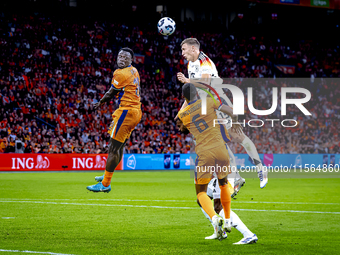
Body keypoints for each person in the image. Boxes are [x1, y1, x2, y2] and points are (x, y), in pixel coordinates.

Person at [177, 38, 268, 189]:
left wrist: (187, 81)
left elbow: (205, 84)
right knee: (220, 144)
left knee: (238, 136)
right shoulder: (190, 64)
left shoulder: (204, 61)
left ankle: (261, 168)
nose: (182, 53)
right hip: (206, 106)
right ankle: (236, 178)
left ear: (193, 49)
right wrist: (181, 111)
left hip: (219, 101)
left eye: (184, 49)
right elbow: (193, 92)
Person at [176, 83, 240, 240]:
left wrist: (186, 104)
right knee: (223, 183)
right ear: (197, 92)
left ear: (184, 97)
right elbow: (231, 112)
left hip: (205, 153)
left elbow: (181, 128)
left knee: (201, 193)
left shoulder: (183, 114)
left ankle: (214, 217)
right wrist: (236, 121)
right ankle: (226, 220)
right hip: (221, 150)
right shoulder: (209, 101)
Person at [87, 47, 142, 193]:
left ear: (131, 60)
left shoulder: (120, 73)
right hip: (136, 111)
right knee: (119, 147)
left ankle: (105, 184)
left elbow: (111, 92)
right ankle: (107, 176)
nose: (121, 59)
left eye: (125, 57)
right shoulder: (134, 70)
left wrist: (100, 103)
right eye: (120, 56)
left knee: (113, 148)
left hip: (126, 111)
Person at [199, 177, 258, 244]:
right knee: (202, 200)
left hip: (220, 177)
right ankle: (219, 231)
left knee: (218, 207)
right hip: (220, 175)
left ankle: (248, 234)